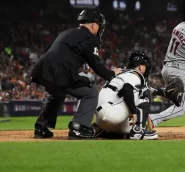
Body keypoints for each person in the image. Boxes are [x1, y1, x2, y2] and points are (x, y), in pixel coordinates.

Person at [31, 10, 121, 140]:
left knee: (58, 93)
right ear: (94, 25)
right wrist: (112, 73)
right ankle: (79, 127)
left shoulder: (67, 32)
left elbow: (47, 50)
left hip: (41, 68)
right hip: (60, 71)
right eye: (100, 26)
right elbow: (96, 66)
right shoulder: (90, 38)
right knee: (91, 92)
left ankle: (41, 127)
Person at [93, 52, 158, 140]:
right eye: (145, 65)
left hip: (100, 119)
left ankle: (107, 131)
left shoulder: (119, 73)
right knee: (144, 90)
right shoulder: (134, 75)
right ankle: (138, 130)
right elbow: (127, 88)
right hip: (111, 114)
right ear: (140, 67)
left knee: (126, 132)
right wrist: (134, 112)